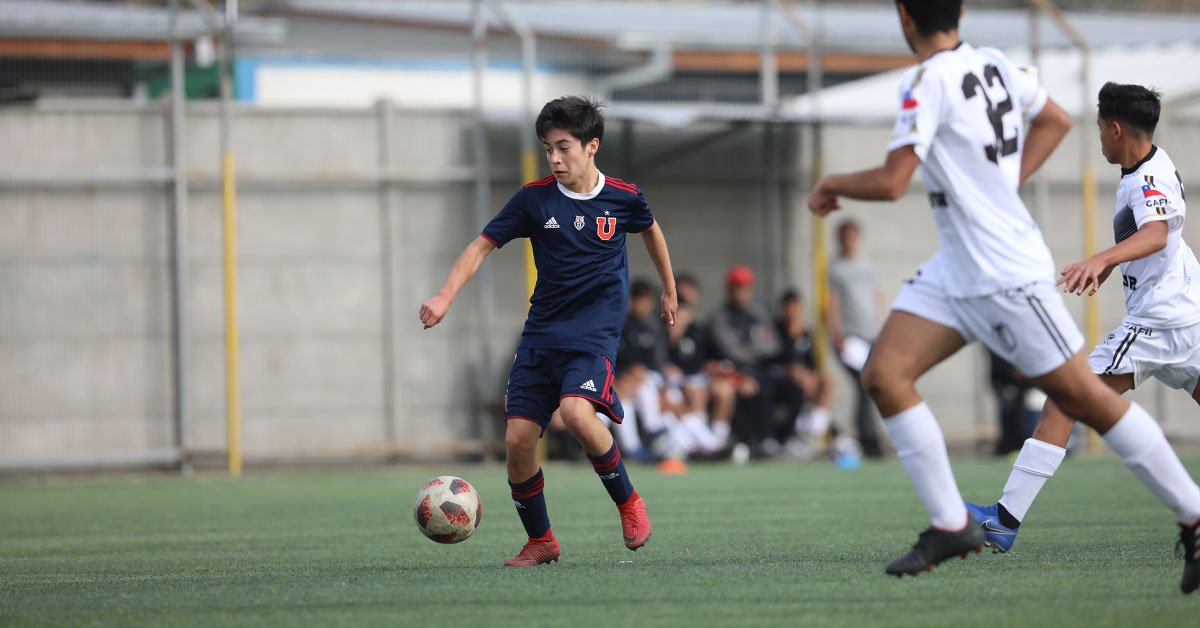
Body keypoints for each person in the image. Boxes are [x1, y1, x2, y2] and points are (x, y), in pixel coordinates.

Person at [808, 1, 1200, 589]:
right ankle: (951, 523)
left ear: (904, 18)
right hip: (956, 267)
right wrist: (1000, 187)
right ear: (958, 12)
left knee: (1082, 400)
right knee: (884, 373)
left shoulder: (927, 82)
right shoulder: (996, 67)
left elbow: (892, 182)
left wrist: (830, 183)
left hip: (1004, 271)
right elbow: (1056, 120)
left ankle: (1192, 514)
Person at [419, 95, 678, 567]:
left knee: (577, 415)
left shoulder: (622, 196)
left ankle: (629, 503)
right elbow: (480, 247)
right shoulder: (533, 199)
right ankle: (542, 541)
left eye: (563, 147)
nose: (555, 158)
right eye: (547, 148)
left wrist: (668, 288)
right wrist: (444, 296)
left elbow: (651, 230)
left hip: (593, 334)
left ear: (591, 146)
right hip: (541, 336)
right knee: (518, 440)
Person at [966, 83, 1200, 585]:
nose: (1097, 139)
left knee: (1064, 401)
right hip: (1190, 318)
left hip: (1159, 324)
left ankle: (1003, 522)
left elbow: (1156, 233)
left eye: (1098, 129)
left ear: (1116, 129)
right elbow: (1159, 238)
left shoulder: (1146, 179)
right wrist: (1115, 266)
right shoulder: (1149, 166)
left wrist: (1100, 258)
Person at [710, 265, 781, 458]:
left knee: (787, 386)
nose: (741, 291)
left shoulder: (758, 312)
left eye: (744, 287)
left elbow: (773, 345)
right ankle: (746, 441)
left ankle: (774, 439)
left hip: (761, 367)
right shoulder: (721, 316)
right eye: (736, 287)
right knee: (750, 387)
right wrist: (755, 344)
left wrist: (748, 345)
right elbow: (731, 350)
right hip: (734, 369)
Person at [827, 220, 884, 457]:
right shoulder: (835, 268)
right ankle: (868, 439)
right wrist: (837, 334)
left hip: (870, 335)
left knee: (871, 387)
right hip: (849, 338)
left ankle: (869, 437)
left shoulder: (866, 266)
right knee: (863, 386)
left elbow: (876, 296)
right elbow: (831, 303)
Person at [773, 290, 835, 454]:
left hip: (805, 379)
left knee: (827, 382)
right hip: (783, 379)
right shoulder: (776, 332)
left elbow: (811, 364)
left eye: (796, 308)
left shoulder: (806, 334)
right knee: (799, 380)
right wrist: (794, 371)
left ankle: (813, 431)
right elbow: (771, 361)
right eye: (789, 308)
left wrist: (810, 374)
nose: (793, 312)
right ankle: (795, 433)